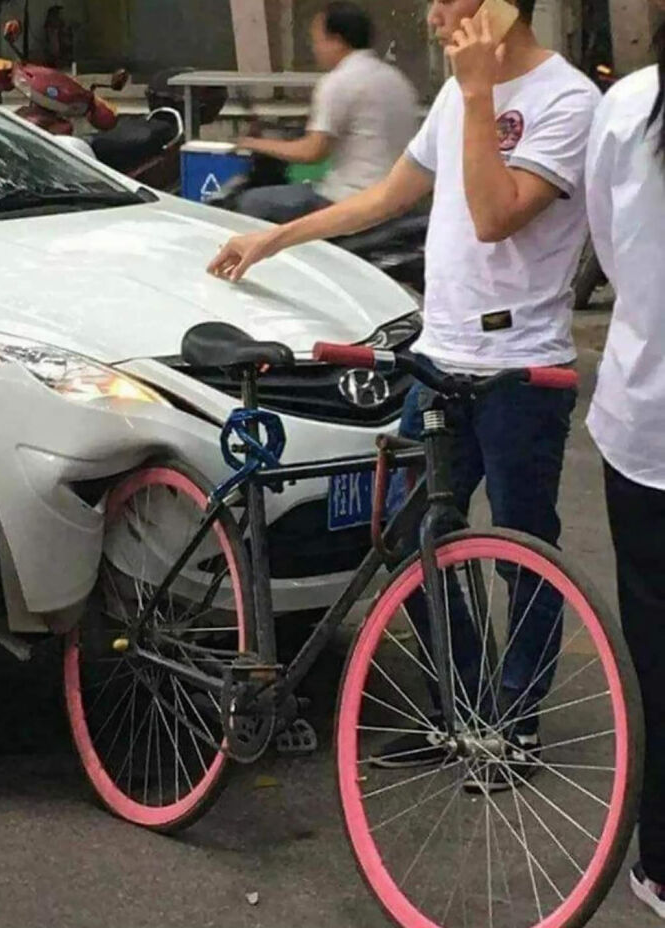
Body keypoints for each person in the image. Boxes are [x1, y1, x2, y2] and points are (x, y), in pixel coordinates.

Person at [209, 0, 600, 787]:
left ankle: (514, 727)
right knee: (408, 536)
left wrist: (481, 92)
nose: (433, 14)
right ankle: (463, 710)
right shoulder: (458, 91)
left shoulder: (567, 101)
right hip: (438, 357)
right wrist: (275, 238)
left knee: (522, 551)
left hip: (519, 370)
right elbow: (389, 195)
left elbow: (494, 216)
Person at [585, 2, 665, 918]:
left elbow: (608, 246)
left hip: (647, 424)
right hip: (642, 427)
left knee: (656, 652)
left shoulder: (628, 107)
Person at [234, 1, 418, 223]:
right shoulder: (397, 80)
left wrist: (253, 143)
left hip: (348, 198)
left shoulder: (338, 82)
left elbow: (312, 152)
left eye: (318, 41)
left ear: (337, 41)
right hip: (399, 199)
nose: (314, 49)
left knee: (250, 202)